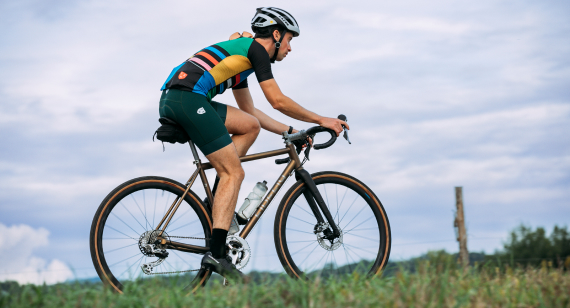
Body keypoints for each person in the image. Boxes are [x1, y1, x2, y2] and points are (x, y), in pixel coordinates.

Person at [158, 7, 349, 281]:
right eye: (290, 40)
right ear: (276, 34)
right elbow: (277, 100)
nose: (290, 49)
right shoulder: (256, 51)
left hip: (181, 98)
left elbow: (251, 114)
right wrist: (322, 119)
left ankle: (216, 205)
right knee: (233, 172)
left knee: (249, 126)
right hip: (187, 100)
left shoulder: (242, 57)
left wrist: (292, 131)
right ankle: (217, 254)